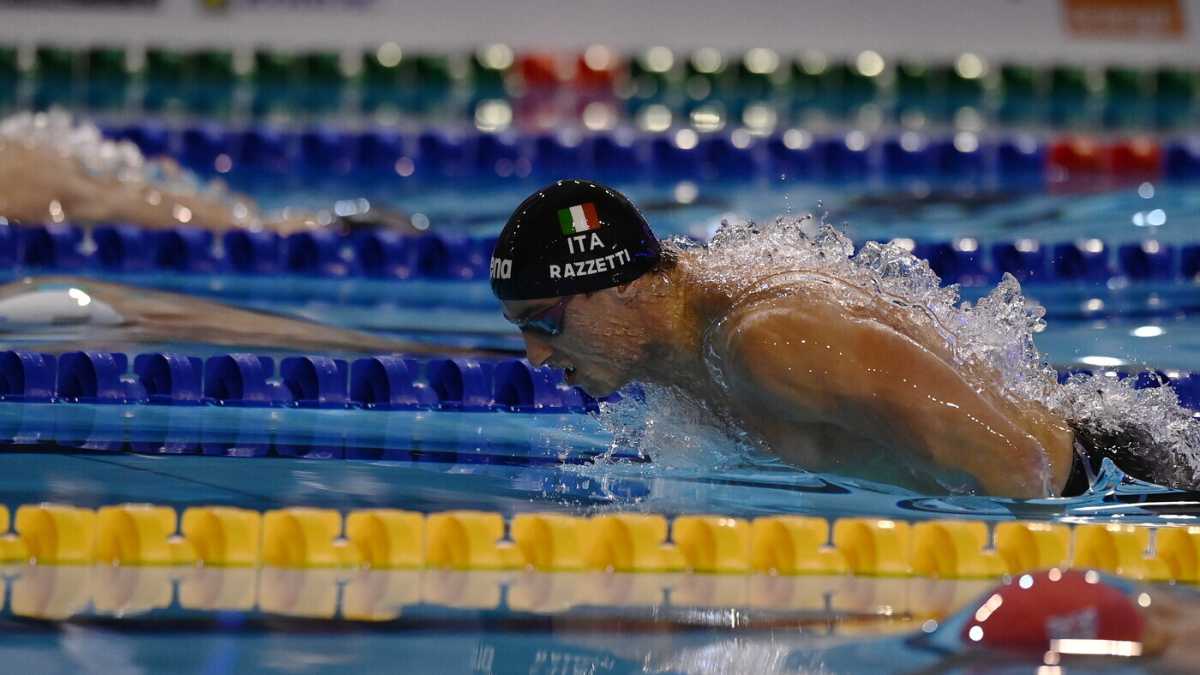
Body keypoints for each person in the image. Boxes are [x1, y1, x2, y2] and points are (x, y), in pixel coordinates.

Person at [489, 179, 1182, 498]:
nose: (536, 355)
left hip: (1120, 489)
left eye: (544, 321)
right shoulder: (672, 343)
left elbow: (1019, 463)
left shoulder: (766, 340)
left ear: (621, 285)